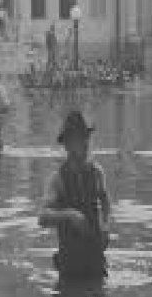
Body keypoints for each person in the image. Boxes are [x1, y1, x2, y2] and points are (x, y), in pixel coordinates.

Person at [38, 110, 111, 282]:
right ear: (68, 144)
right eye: (80, 137)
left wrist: (105, 226)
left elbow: (105, 199)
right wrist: (70, 215)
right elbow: (42, 217)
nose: (86, 142)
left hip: (95, 263)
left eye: (87, 136)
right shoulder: (57, 179)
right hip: (70, 267)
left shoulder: (97, 172)